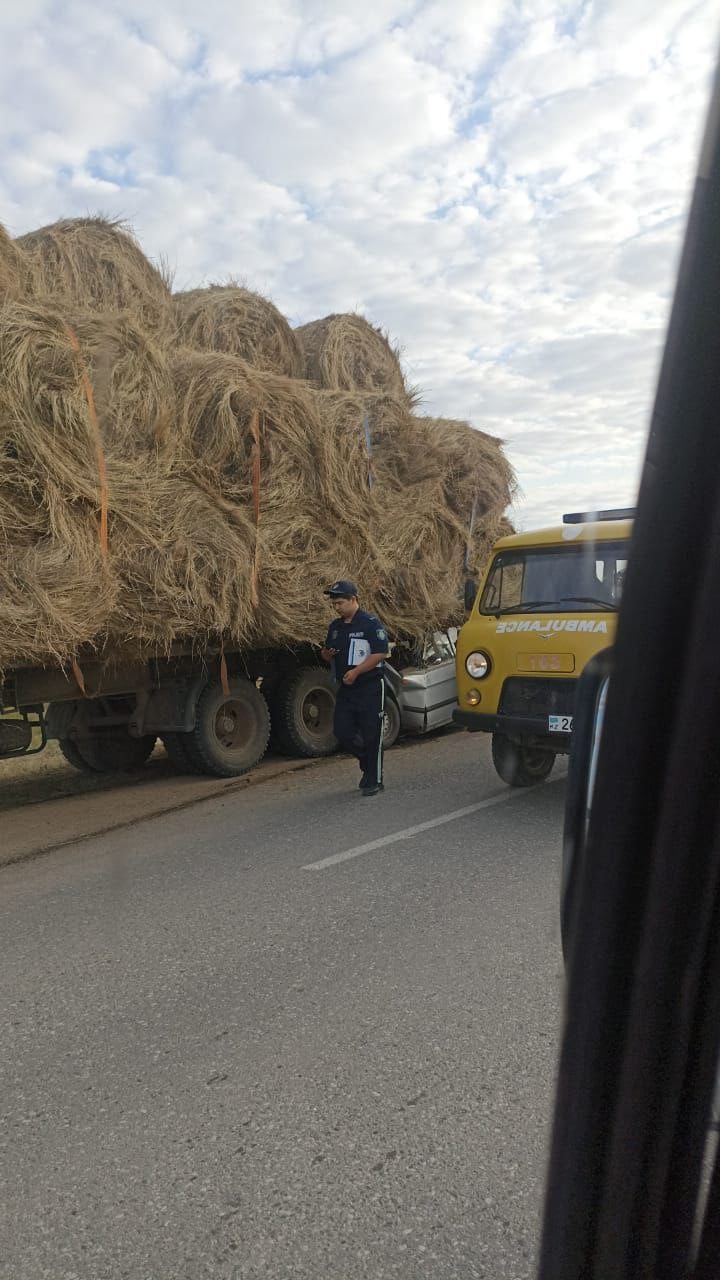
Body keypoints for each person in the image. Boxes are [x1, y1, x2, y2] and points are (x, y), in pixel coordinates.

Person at [320, 580, 390, 797]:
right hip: (347, 689)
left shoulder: (370, 623)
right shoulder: (335, 627)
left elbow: (380, 653)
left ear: (353, 600)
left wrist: (357, 671)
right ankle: (367, 762)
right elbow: (325, 652)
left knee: (372, 734)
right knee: (343, 732)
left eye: (340, 602)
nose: (337, 607)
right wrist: (327, 654)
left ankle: (375, 780)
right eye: (334, 604)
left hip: (369, 686)